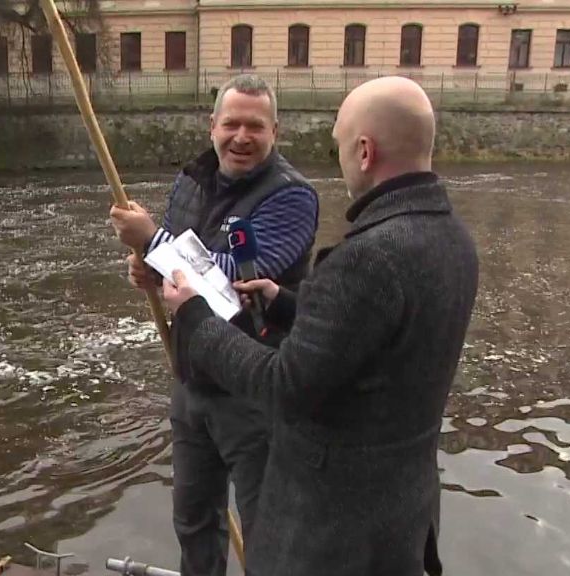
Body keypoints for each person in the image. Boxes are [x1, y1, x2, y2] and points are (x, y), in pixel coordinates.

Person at [160, 76, 480, 576]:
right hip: (401, 513)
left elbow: (283, 386)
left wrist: (196, 316)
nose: (340, 158)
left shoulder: (366, 258)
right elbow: (370, 339)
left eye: (339, 144)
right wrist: (285, 303)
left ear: (365, 151)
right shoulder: (453, 238)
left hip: (334, 532)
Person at [110, 74, 319, 576]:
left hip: (253, 390)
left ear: (276, 131)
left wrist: (154, 241)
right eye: (231, 124)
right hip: (192, 380)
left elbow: (238, 280)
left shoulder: (293, 198)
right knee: (193, 520)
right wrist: (148, 269)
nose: (241, 137)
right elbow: (179, 270)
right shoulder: (192, 180)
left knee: (268, 531)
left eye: (255, 126)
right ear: (212, 126)